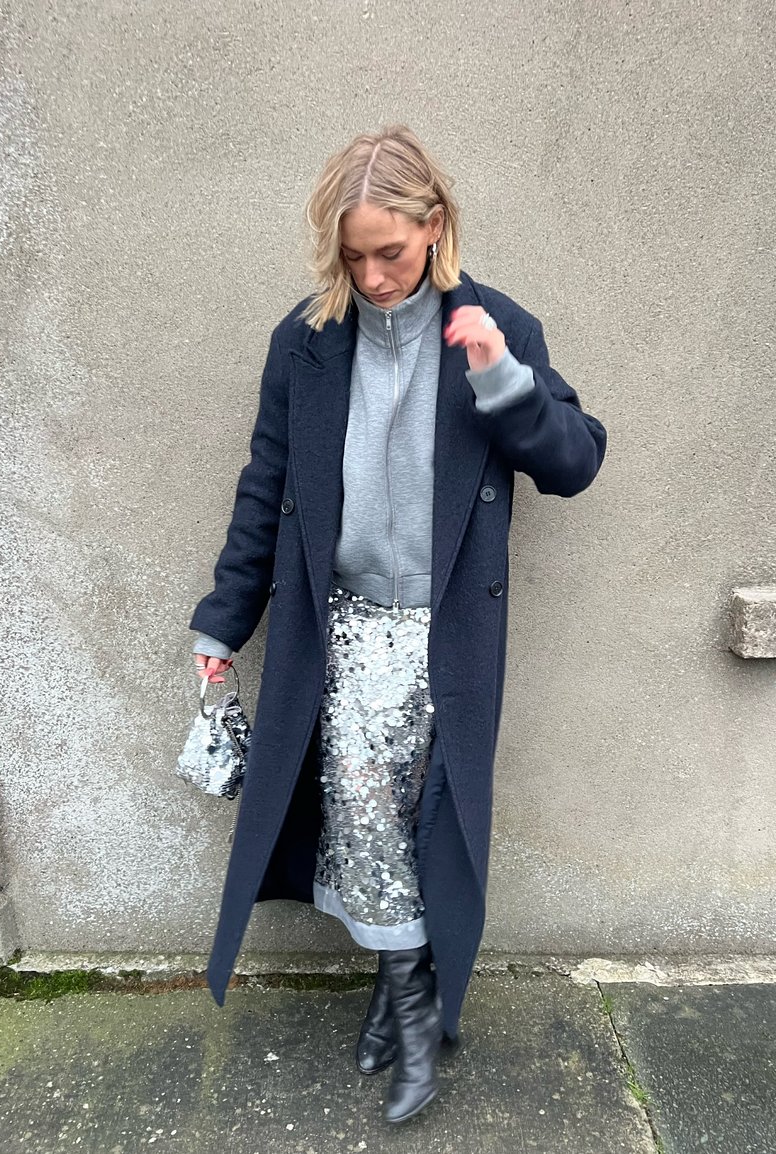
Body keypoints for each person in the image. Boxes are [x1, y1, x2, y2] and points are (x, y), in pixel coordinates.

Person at [189, 124, 607, 1124]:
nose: (373, 274)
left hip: (451, 627)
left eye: (391, 250)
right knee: (370, 815)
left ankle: (395, 987)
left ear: (433, 226)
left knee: (427, 823)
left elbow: (574, 459)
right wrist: (218, 625)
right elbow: (264, 493)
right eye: (352, 254)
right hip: (348, 629)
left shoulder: (492, 326)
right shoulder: (306, 342)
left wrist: (503, 380)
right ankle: (413, 1005)